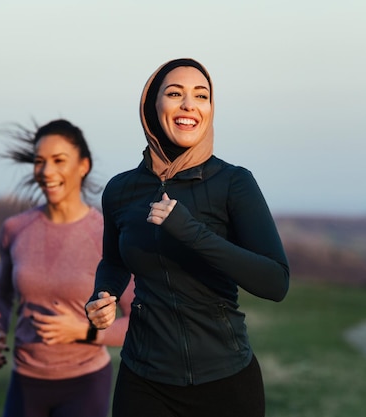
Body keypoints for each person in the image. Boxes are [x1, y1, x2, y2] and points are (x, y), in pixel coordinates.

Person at [85, 58, 290, 417]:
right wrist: (104, 295)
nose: (189, 105)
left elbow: (276, 282)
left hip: (225, 382)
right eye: (175, 93)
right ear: (153, 106)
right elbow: (114, 261)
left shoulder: (234, 183)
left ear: (210, 109)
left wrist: (191, 231)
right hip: (143, 379)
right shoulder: (121, 190)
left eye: (201, 95)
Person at [0, 119, 135, 417]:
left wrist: (82, 331)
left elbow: (139, 322)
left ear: (83, 166)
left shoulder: (106, 234)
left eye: (58, 161)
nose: (47, 171)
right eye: (39, 161)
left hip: (85, 383)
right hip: (25, 381)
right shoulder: (15, 229)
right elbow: (1, 296)